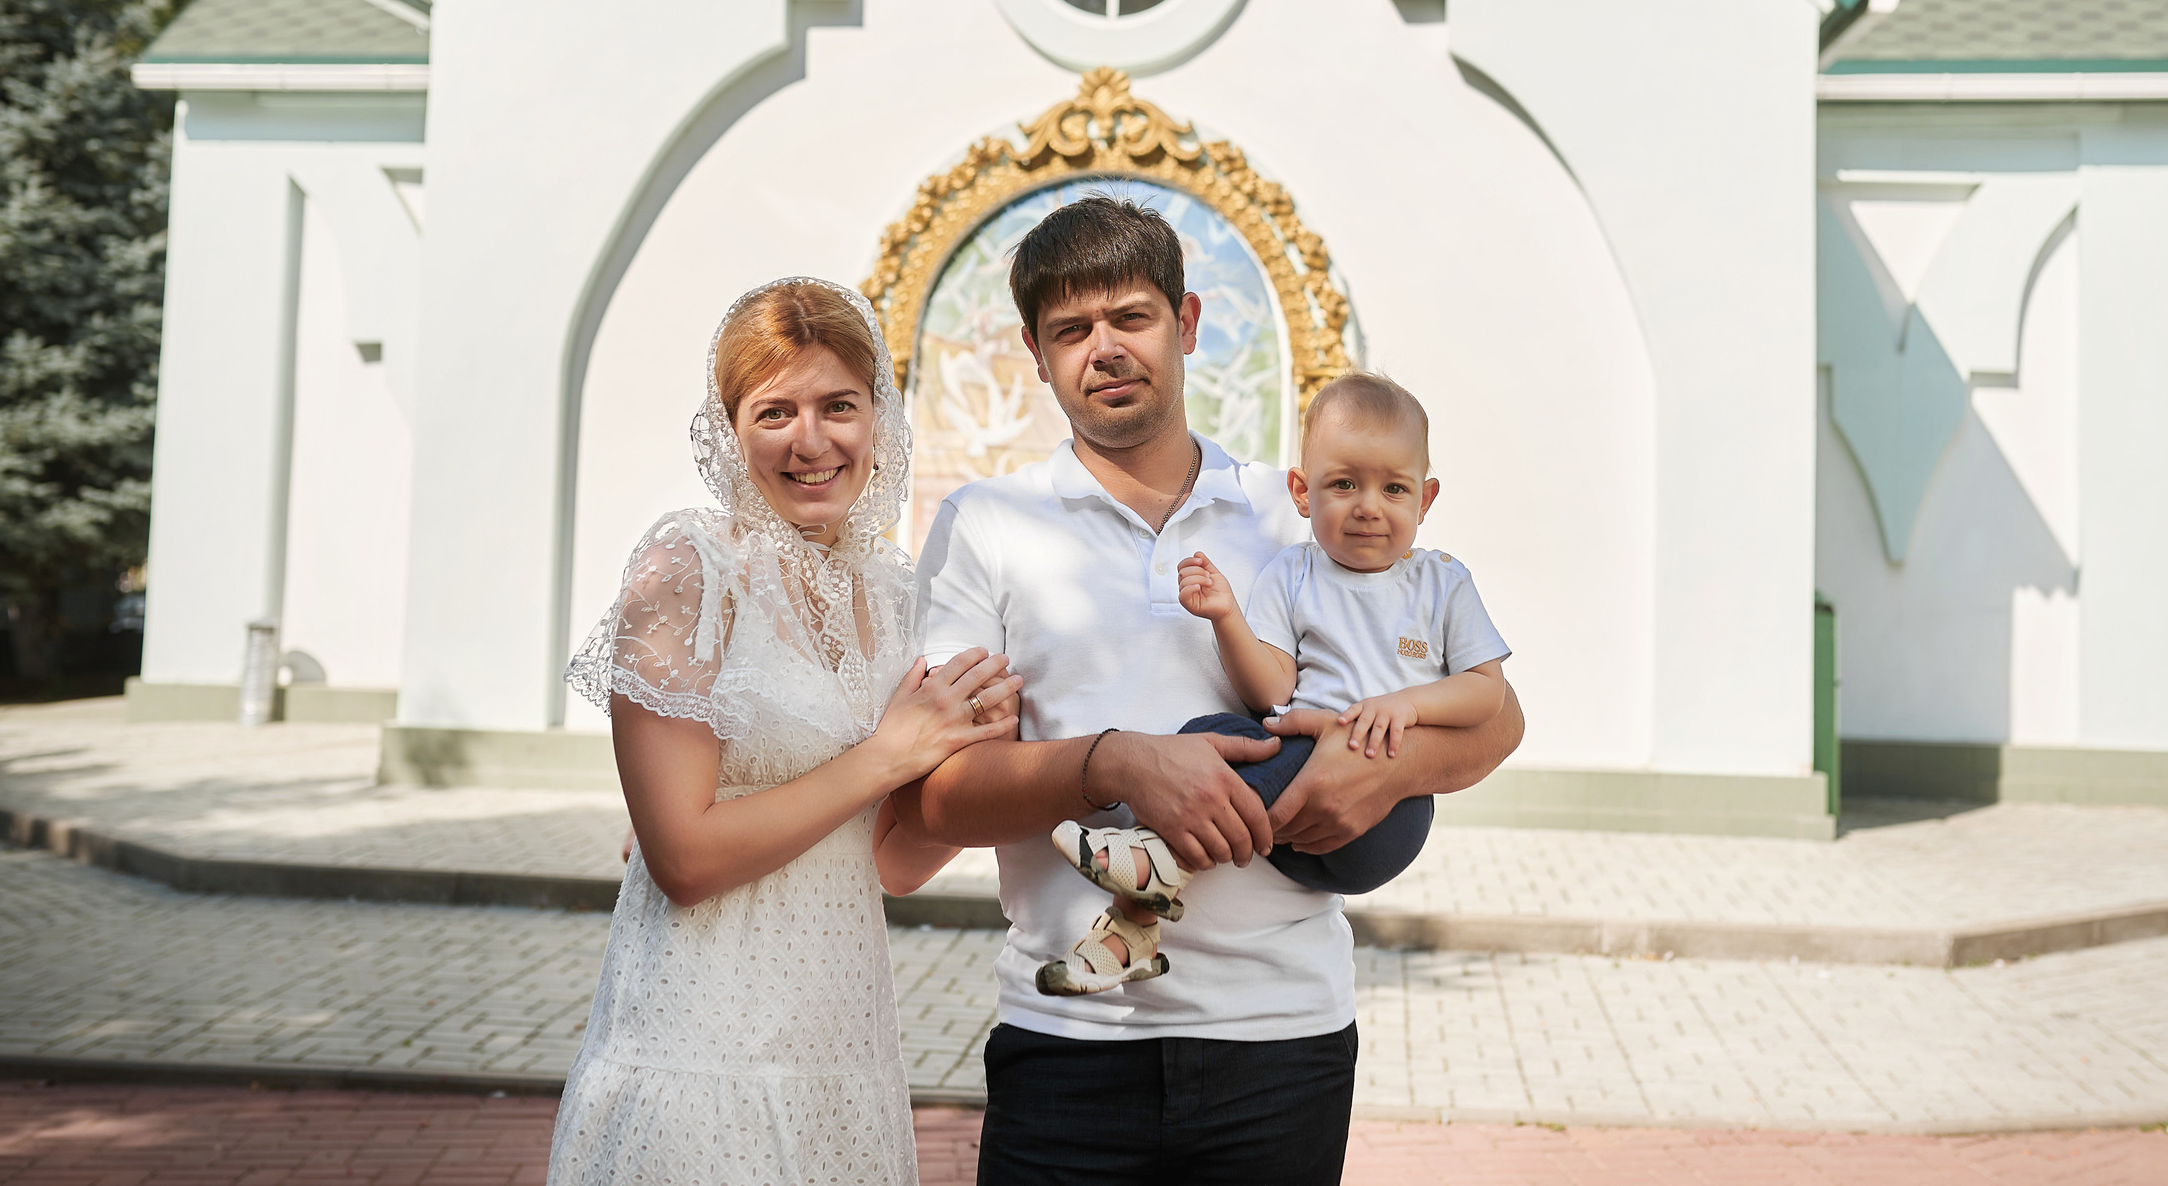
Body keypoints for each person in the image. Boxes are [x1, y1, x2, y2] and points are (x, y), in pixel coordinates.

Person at [894, 198, 1525, 1186]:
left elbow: (1497, 717)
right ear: (1034, 350)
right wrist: (1111, 761)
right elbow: (928, 797)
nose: (1103, 347)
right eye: (1070, 329)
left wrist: (1379, 771)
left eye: (1131, 317)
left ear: (1187, 325)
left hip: (1284, 1038)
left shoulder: (1304, 508)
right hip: (1067, 1035)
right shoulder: (985, 524)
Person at [548, 278, 1021, 1186]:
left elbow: (887, 861)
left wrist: (974, 750)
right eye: (775, 411)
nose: (811, 441)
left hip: (839, 1045)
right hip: (702, 1045)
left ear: (878, 419)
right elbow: (682, 857)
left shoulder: (888, 594)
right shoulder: (690, 566)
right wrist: (887, 753)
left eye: (838, 405)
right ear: (729, 430)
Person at [1039, 371, 1510, 992]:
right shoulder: (1294, 572)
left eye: (1393, 489)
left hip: (1383, 816)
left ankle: (1154, 862)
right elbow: (1271, 692)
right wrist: (1228, 617)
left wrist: (1405, 707)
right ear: (1302, 491)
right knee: (1206, 735)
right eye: (1344, 484)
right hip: (1285, 803)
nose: (1368, 505)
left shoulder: (1442, 583)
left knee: (1269, 753)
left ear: (1425, 500)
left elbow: (1486, 692)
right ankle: (1131, 934)